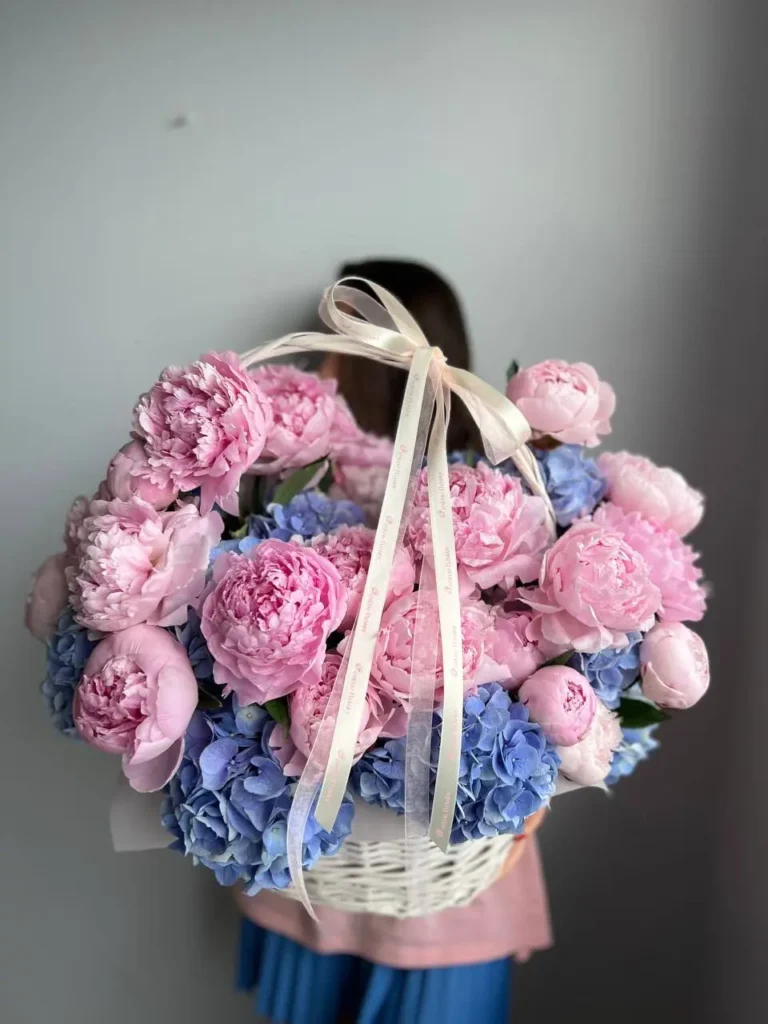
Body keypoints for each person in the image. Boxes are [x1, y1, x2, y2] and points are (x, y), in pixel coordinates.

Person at [236, 259, 553, 1024]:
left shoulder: (493, 493)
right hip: (340, 879)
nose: (321, 362)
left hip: (442, 881)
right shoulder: (288, 492)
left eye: (336, 337)